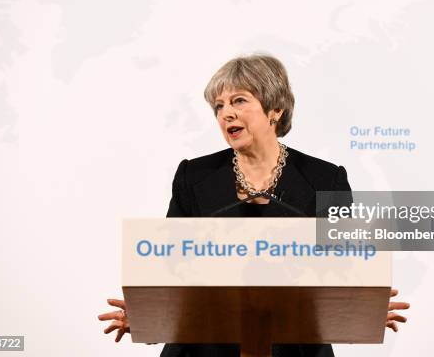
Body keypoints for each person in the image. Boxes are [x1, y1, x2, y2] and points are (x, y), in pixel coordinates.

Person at [98, 54, 410, 356]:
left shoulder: (325, 179)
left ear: (274, 108)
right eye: (218, 106)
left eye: (238, 100)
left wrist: (361, 311)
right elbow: (171, 269)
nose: (225, 114)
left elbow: (342, 271)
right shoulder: (193, 177)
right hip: (204, 348)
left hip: (292, 348)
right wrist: (148, 315)